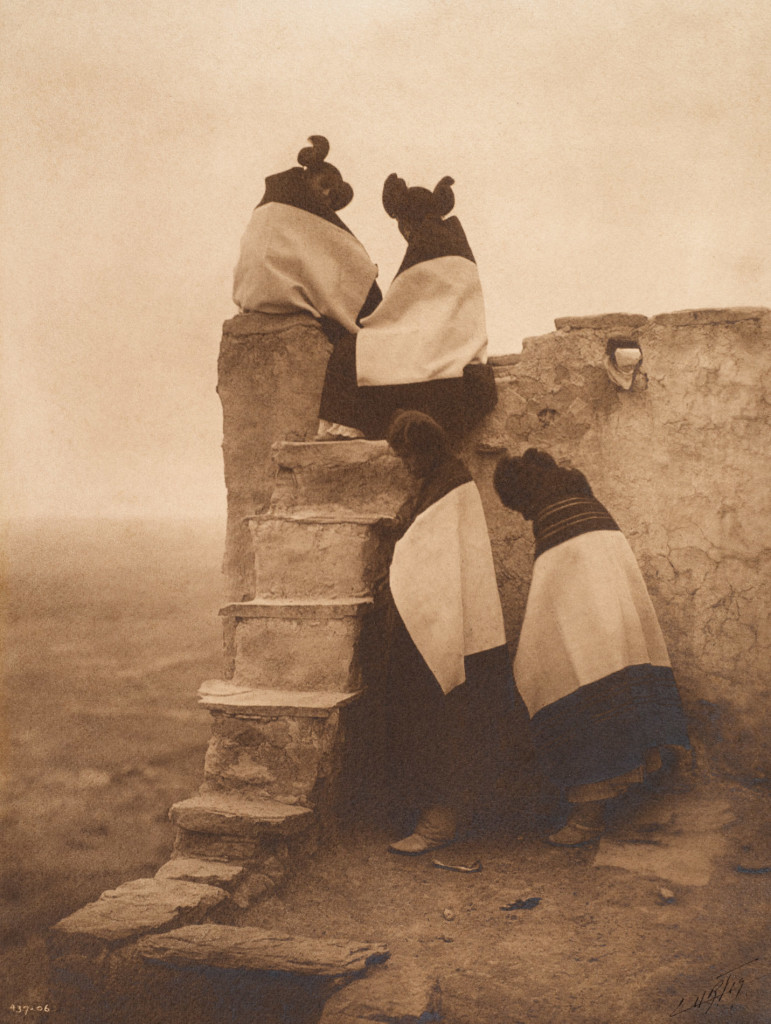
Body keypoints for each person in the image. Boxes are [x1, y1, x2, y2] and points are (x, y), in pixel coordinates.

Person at [493, 448, 691, 845]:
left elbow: (551, 605)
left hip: (590, 637)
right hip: (620, 628)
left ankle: (587, 819)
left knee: (576, 702)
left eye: (519, 510)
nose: (525, 518)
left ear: (524, 496)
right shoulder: (589, 505)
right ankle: (631, 797)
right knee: (621, 702)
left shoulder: (552, 518)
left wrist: (532, 657)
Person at [381, 411, 525, 854]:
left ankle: (440, 823)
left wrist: (398, 545)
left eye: (408, 457)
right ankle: (437, 815)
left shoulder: (451, 485)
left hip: (457, 631)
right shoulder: (437, 483)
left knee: (451, 721)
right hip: (447, 624)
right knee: (439, 718)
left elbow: (427, 550)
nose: (406, 466)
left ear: (426, 449)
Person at [318, 173, 497, 441]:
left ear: (407, 226)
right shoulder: (459, 247)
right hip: (459, 358)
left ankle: (346, 428)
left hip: (430, 357)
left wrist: (370, 325)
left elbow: (398, 313)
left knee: (349, 351)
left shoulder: (424, 246)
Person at [232, 135, 382, 439]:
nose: (326, 195)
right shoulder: (291, 212)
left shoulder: (273, 207)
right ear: (307, 176)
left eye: (333, 194)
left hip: (256, 298)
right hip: (279, 297)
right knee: (364, 331)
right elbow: (348, 262)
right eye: (324, 184)